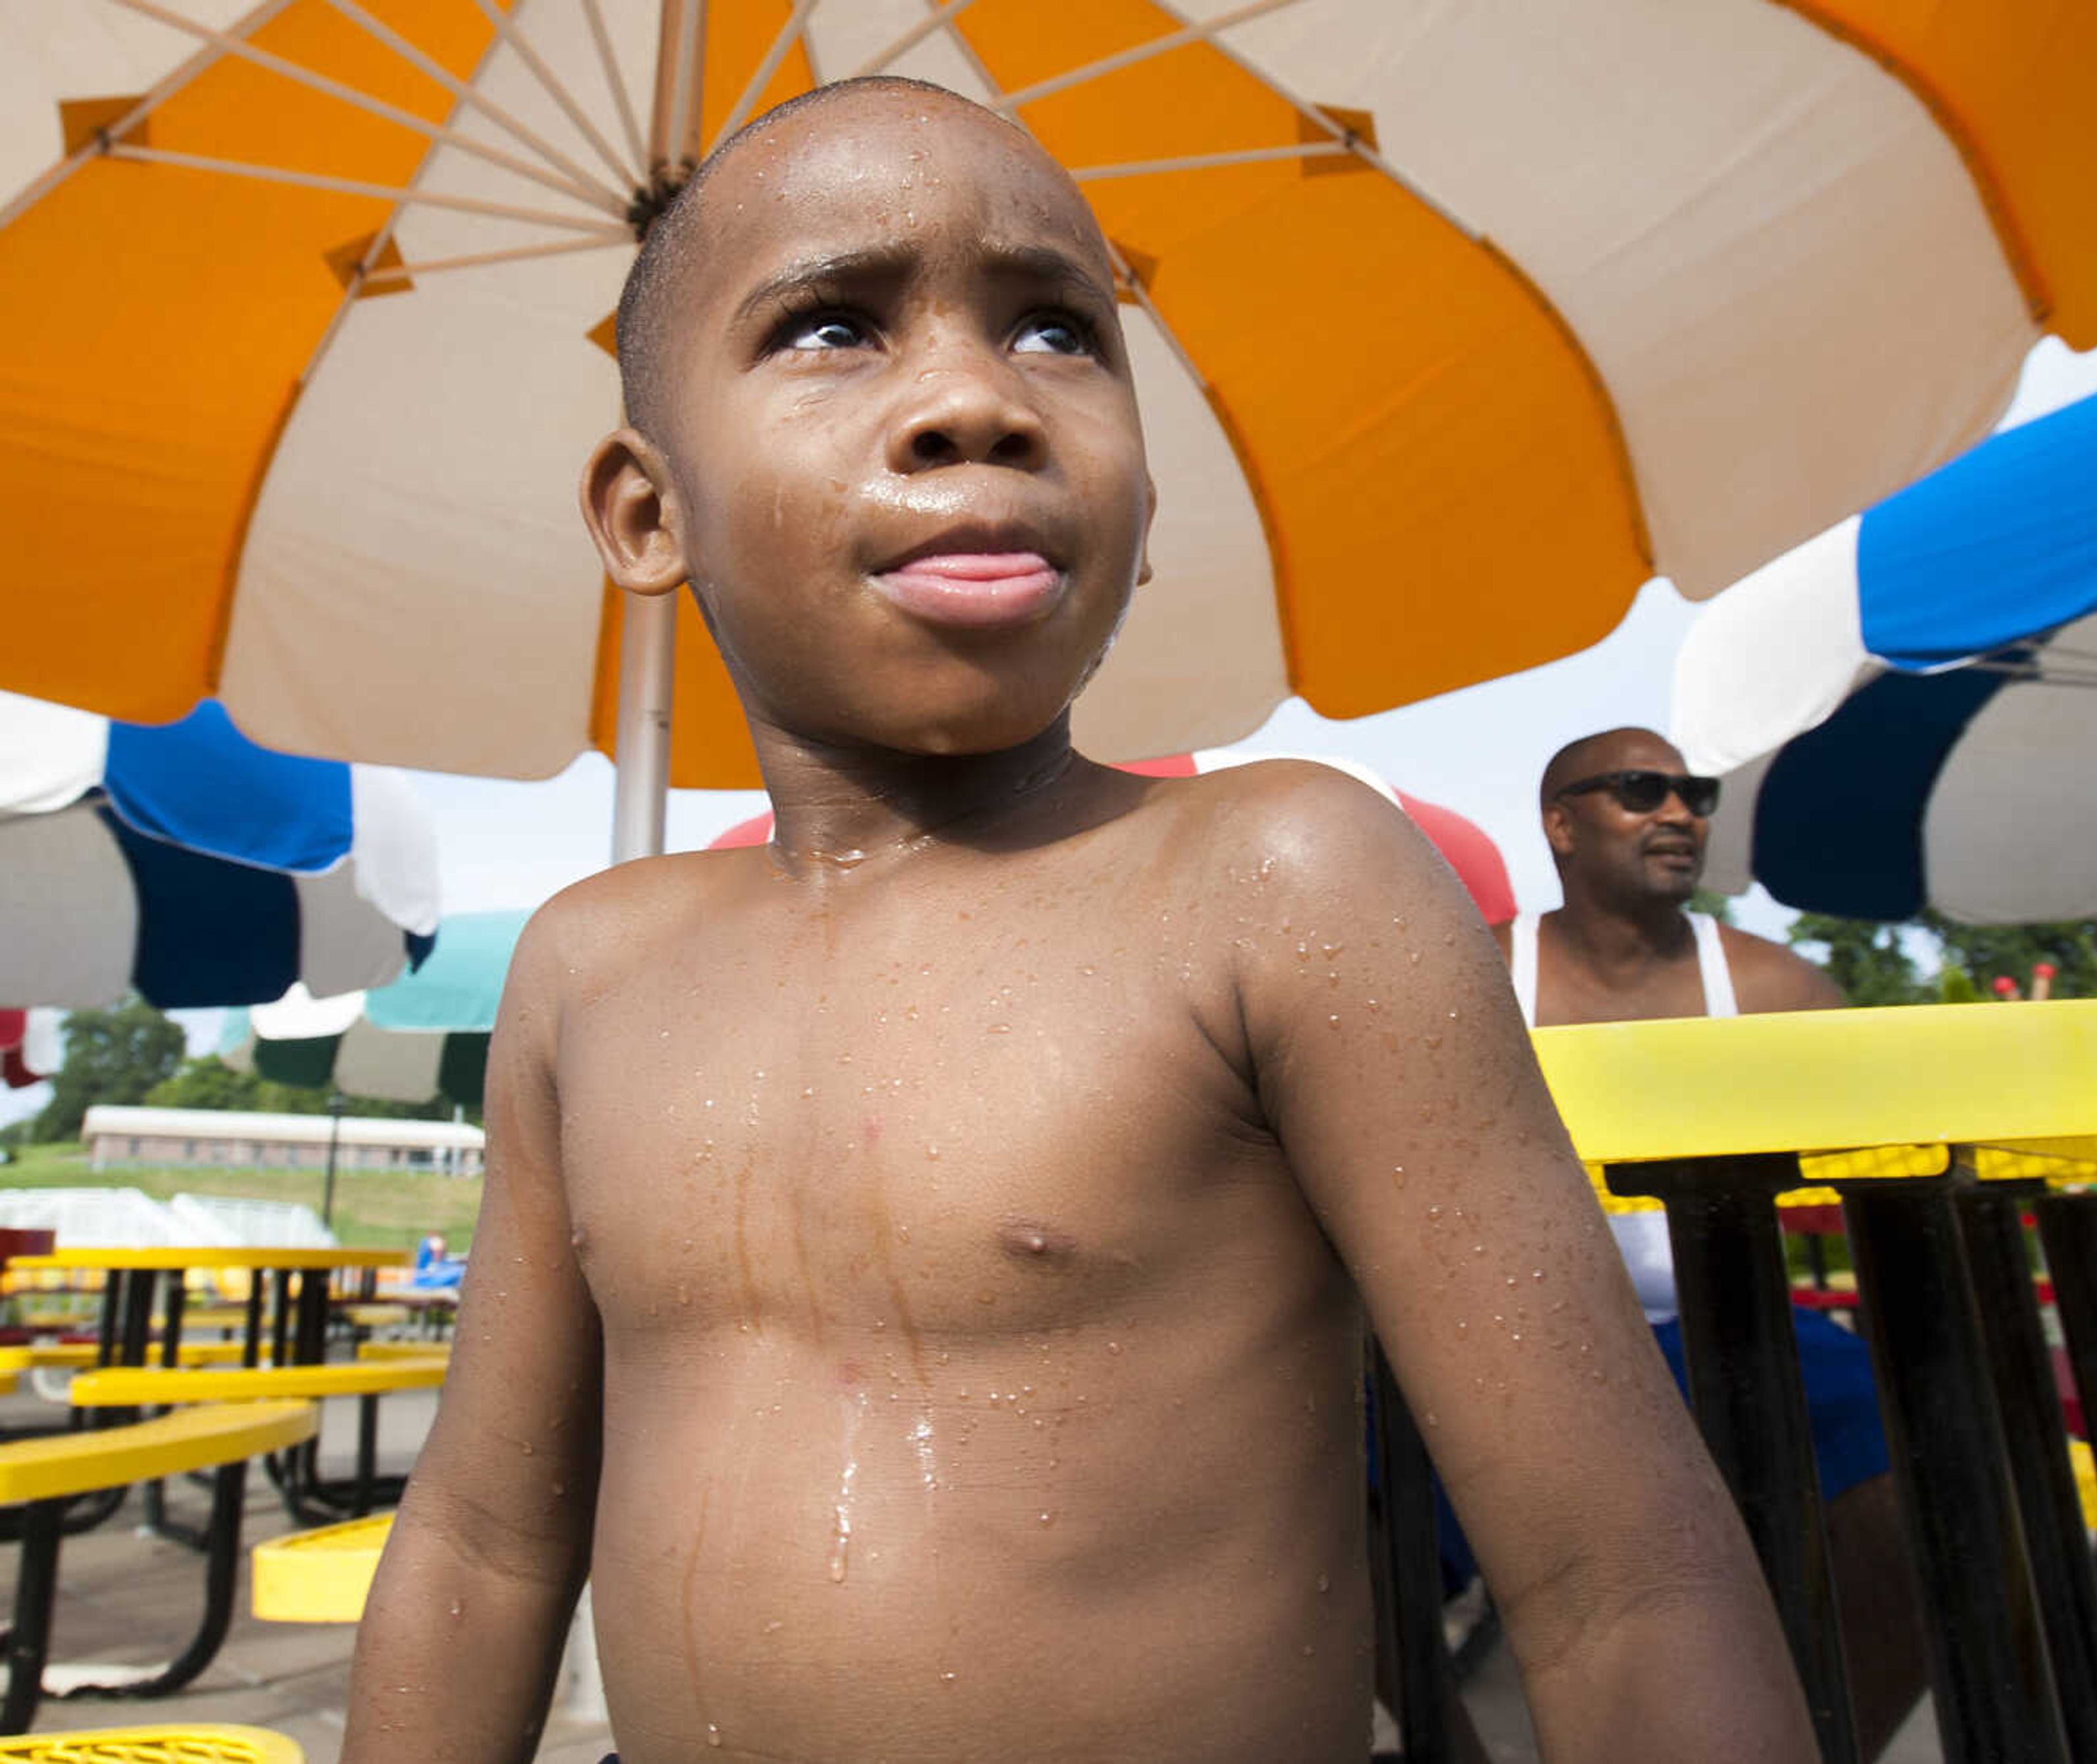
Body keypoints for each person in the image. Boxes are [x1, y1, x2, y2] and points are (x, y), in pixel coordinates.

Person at [341, 80, 1817, 1764]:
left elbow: (1619, 1577)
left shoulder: (1280, 882)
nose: (978, 399)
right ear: (647, 512)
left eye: (1059, 333)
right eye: (833, 327)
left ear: (1146, 501)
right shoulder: (588, 968)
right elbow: (480, 1546)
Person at [1496, 725, 1928, 1759]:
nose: (1680, 812)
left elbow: (1900, 1171)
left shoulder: (1777, 990)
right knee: (1332, 1498)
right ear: (1561, 823)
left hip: (1738, 1324)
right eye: (1642, 790)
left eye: (1695, 793)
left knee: (1939, 1500)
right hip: (1523, 1342)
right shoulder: (1473, 968)